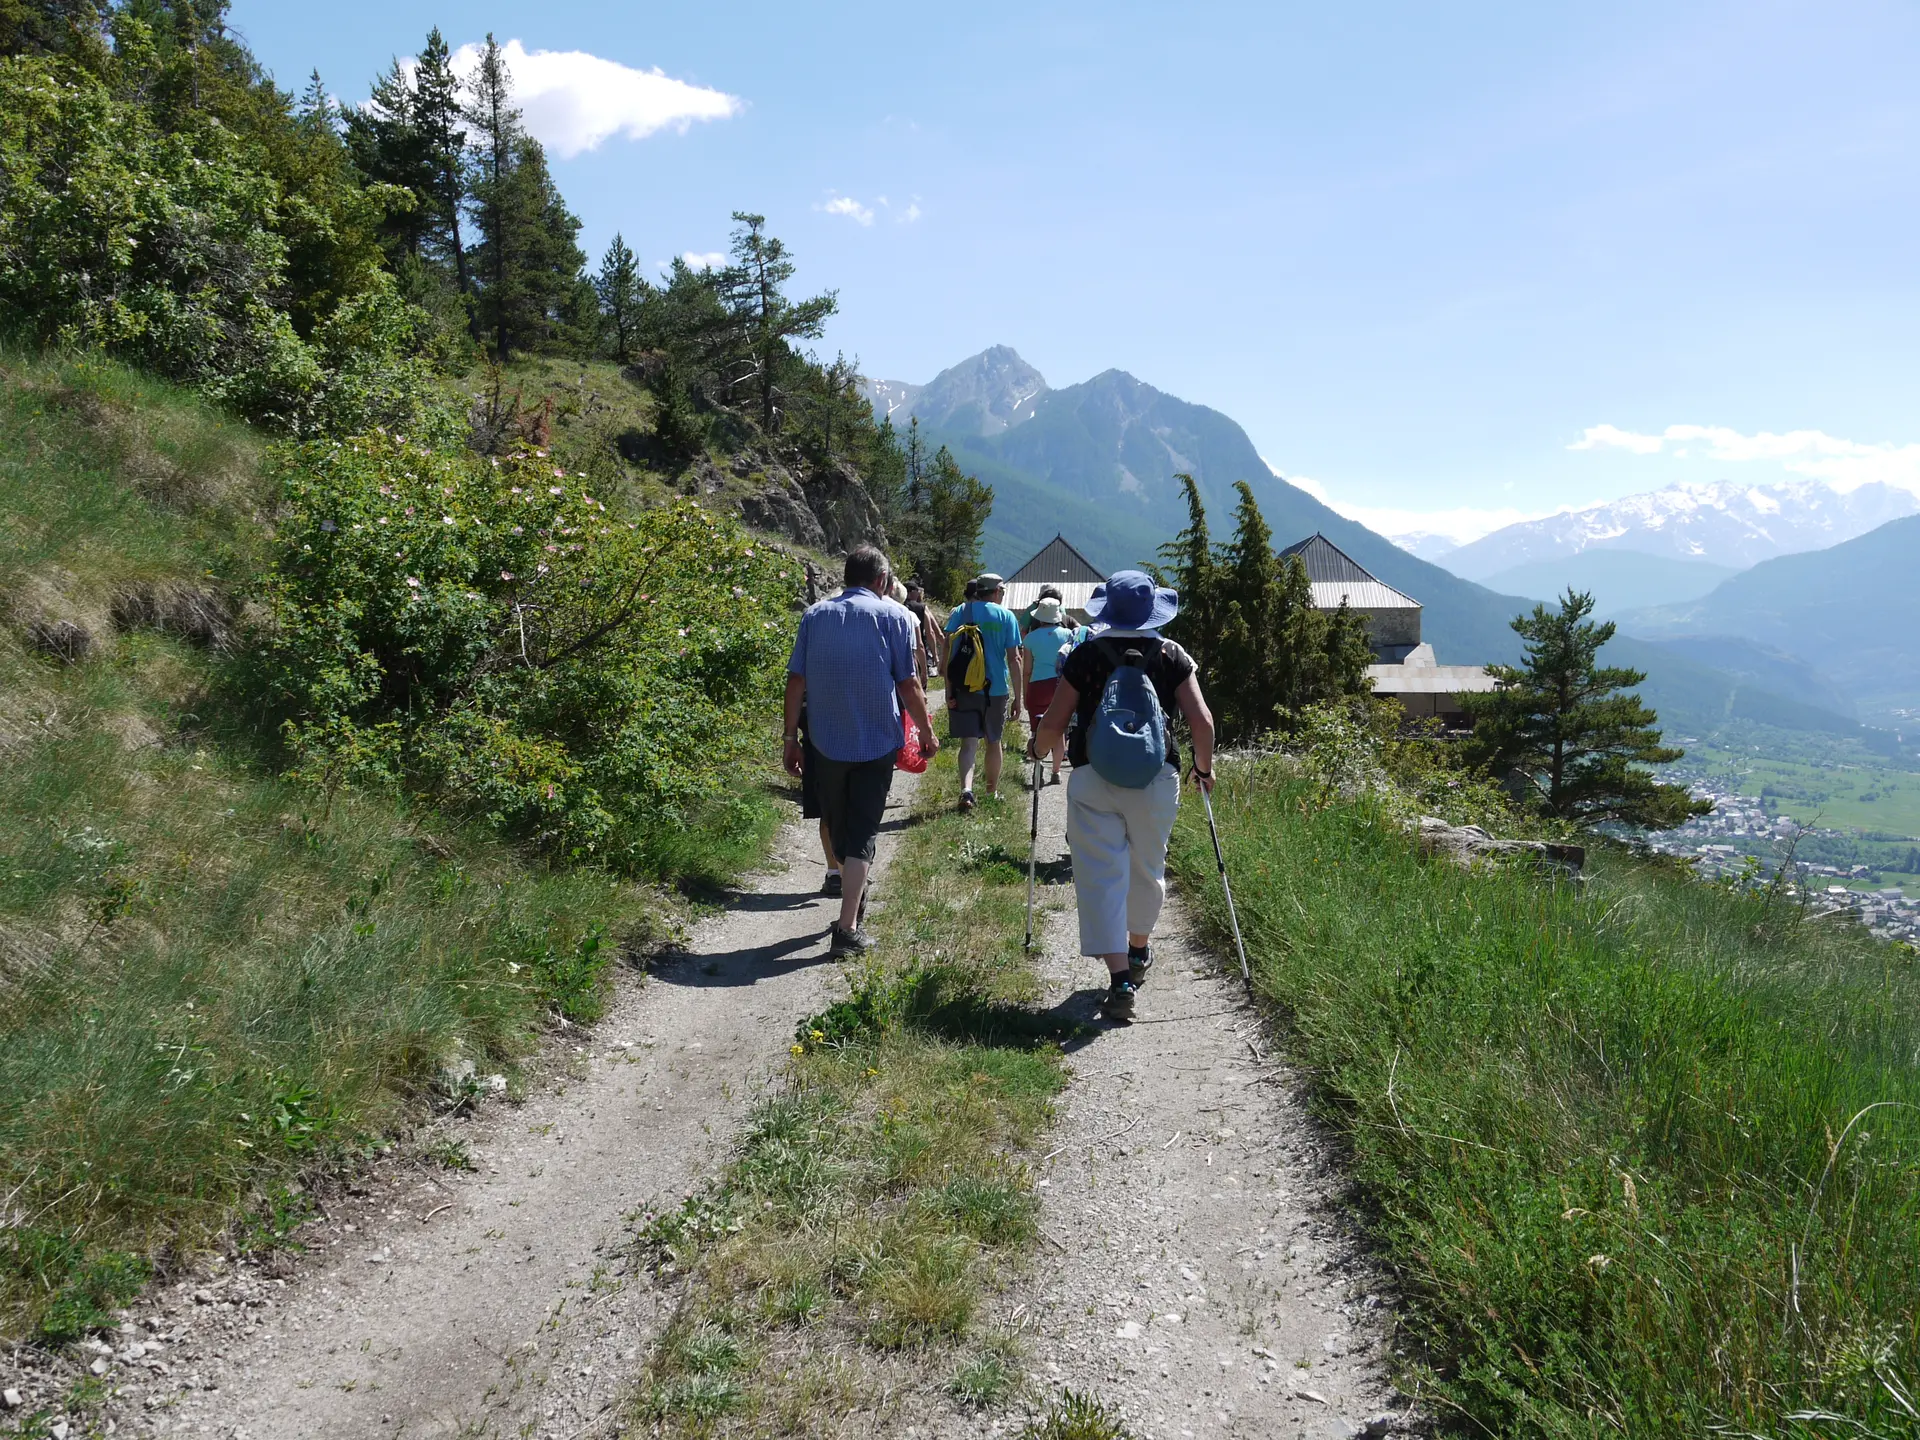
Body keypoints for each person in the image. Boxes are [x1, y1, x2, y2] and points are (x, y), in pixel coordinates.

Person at [1029, 570, 1215, 1023]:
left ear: (1106, 610)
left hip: (1095, 776)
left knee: (1099, 875)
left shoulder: (1085, 654)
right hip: (1156, 778)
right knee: (1147, 868)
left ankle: (1119, 981)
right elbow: (1202, 723)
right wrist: (1203, 770)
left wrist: (1037, 751)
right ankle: (1138, 949)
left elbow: (1055, 721)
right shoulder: (1172, 655)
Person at [785, 545, 939, 955]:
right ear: (882, 581)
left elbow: (795, 681)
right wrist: (926, 731)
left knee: (837, 824)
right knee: (863, 831)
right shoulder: (893, 616)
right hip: (876, 741)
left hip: (824, 742)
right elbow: (908, 683)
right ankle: (847, 928)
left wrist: (789, 739)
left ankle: (849, 895)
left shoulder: (815, 615)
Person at [943, 572, 1025, 812]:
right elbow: (1014, 658)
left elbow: (948, 651)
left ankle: (966, 790)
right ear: (997, 591)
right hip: (996, 689)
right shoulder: (1006, 616)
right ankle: (991, 791)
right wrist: (1018, 698)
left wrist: (949, 690)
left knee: (968, 743)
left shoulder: (960, 612)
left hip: (965, 687)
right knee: (993, 741)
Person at [1019, 597, 1082, 785]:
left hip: (1038, 686)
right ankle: (1056, 772)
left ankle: (1038, 766)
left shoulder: (1030, 638)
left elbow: (1027, 670)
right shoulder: (1068, 634)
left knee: (1037, 728)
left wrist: (1025, 694)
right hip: (1061, 684)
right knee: (1059, 728)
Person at [904, 579, 944, 684]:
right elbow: (931, 632)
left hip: (900, 651)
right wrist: (936, 656)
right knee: (920, 687)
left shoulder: (897, 606)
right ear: (913, 592)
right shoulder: (921, 608)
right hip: (917, 651)